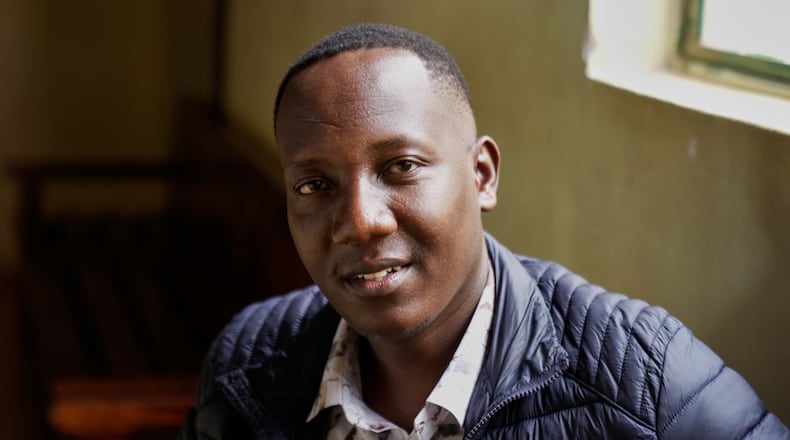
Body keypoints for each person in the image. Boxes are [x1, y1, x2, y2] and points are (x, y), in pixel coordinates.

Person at [179, 23, 788, 439]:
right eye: (315, 186)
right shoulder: (247, 364)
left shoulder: (652, 387)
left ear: (482, 176)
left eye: (402, 167)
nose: (361, 220)